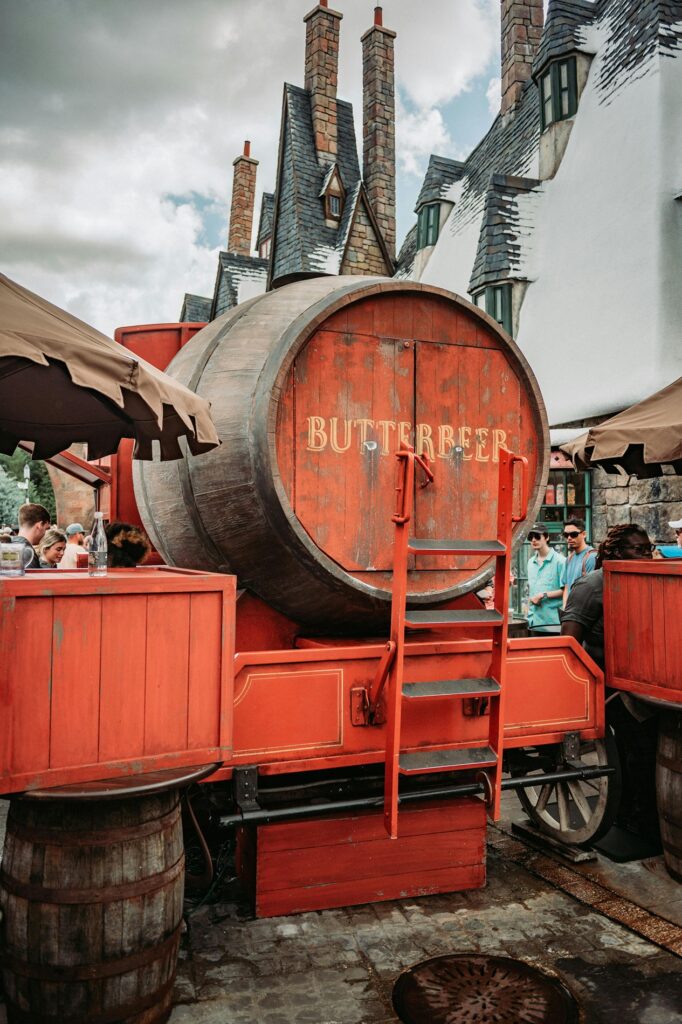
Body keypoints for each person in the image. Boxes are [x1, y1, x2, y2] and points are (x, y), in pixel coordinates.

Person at [561, 523, 653, 669]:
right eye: (639, 549)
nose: (648, 555)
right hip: (600, 675)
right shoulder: (591, 586)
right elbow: (567, 645)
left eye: (649, 548)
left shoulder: (646, 583)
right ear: (617, 552)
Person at [526, 525, 566, 636]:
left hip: (553, 623)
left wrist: (543, 595)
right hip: (533, 621)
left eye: (537, 536)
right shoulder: (530, 562)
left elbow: (566, 590)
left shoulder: (560, 561)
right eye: (530, 537)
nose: (533, 540)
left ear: (547, 537)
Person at [560, 517, 597, 605]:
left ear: (584, 534)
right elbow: (566, 586)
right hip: (570, 610)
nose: (569, 538)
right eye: (566, 535)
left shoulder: (592, 557)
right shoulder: (569, 558)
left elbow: (591, 591)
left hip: (583, 610)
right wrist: (565, 608)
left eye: (573, 534)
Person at [11, 502, 50, 570]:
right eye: (46, 529)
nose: (46, 533)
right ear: (40, 525)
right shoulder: (28, 553)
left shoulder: (9, 546)